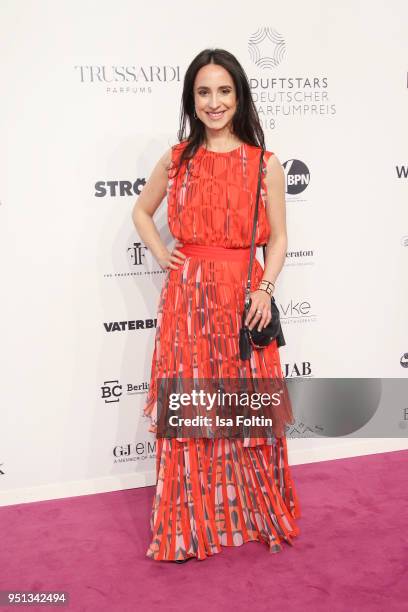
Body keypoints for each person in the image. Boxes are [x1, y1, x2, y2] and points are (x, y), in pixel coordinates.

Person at [132, 48, 301, 563]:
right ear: (191, 99)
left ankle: (250, 514)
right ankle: (190, 525)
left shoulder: (263, 164)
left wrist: (264, 288)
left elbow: (278, 241)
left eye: (223, 91)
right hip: (188, 304)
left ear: (239, 95)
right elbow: (141, 211)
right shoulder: (177, 158)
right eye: (203, 92)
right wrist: (163, 253)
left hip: (241, 299)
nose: (214, 102)